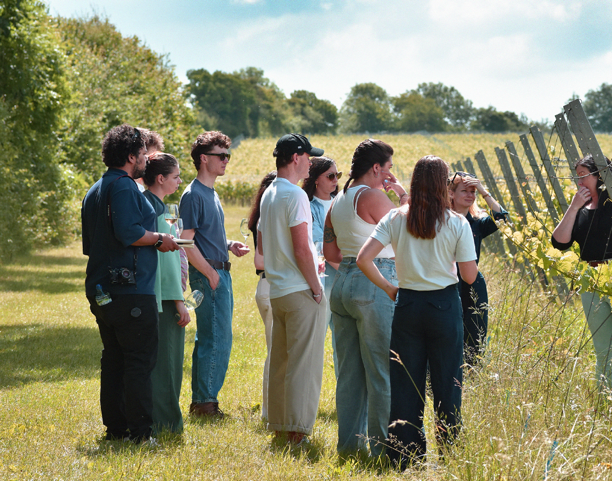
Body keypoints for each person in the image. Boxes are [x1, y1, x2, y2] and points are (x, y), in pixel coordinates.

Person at [357, 155, 478, 467]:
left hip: (408, 304)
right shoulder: (456, 222)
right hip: (444, 306)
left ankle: (406, 460)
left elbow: (363, 258)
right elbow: (469, 276)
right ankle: (450, 456)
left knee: (406, 385)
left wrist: (388, 287)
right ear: (443, 185)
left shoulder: (397, 217)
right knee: (447, 382)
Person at [81, 124, 179, 443]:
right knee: (139, 362)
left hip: (101, 289)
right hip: (130, 291)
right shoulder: (124, 186)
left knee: (114, 360)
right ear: (129, 156)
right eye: (141, 156)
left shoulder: (95, 189)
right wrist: (160, 239)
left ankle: (116, 430)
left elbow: (91, 245)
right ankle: (140, 433)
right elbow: (129, 233)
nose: (146, 161)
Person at [323, 138, 408, 457]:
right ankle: (383, 449)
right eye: (388, 168)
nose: (389, 173)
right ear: (376, 168)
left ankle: (348, 447)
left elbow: (329, 250)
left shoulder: (338, 199)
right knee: (382, 369)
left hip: (343, 282)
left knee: (349, 373)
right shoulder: (373, 196)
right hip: (375, 280)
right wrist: (400, 192)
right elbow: (410, 228)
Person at [257, 133, 326, 445]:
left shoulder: (270, 192)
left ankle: (280, 425)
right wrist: (316, 288)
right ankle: (297, 430)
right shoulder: (295, 195)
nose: (311, 163)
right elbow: (301, 248)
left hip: (278, 288)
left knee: (282, 361)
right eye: (309, 156)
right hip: (300, 288)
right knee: (304, 363)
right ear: (296, 157)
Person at [180, 131, 250, 418]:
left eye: (227, 156)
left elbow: (206, 235)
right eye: (221, 156)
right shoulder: (194, 194)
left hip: (218, 271)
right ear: (203, 159)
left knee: (211, 337)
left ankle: (202, 400)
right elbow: (186, 240)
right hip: (209, 275)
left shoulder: (211, 193)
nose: (226, 161)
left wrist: (228, 244)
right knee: (217, 338)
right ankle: (206, 405)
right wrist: (209, 273)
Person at [552, 154, 612, 391]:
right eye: (577, 176)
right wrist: (574, 207)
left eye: (583, 175)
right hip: (590, 279)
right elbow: (560, 242)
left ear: (601, 175)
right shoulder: (581, 208)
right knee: (603, 347)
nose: (579, 182)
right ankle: (604, 399)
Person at [143, 152, 190, 434]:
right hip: (163, 299)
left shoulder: (146, 204)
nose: (180, 181)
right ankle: (167, 424)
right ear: (160, 179)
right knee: (168, 364)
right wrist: (179, 301)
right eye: (175, 177)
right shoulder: (160, 212)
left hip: (147, 295)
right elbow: (168, 263)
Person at [448, 171, 507, 365]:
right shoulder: (441, 222)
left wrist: (483, 191)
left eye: (472, 191)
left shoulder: (477, 224)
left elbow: (502, 219)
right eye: (464, 190)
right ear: (451, 194)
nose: (470, 195)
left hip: (473, 283)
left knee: (476, 330)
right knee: (449, 329)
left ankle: (472, 371)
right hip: (447, 281)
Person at [302, 156, 341, 375]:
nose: (336, 180)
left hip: (344, 275)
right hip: (324, 278)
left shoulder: (343, 202)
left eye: (338, 175)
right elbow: (318, 245)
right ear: (316, 179)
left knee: (343, 339)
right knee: (317, 337)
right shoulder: (308, 206)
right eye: (330, 176)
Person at [247, 171, 277, 421]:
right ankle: (270, 412)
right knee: (276, 354)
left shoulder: (261, 216)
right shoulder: (269, 218)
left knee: (274, 352)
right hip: (272, 286)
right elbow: (259, 260)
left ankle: (271, 411)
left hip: (265, 286)